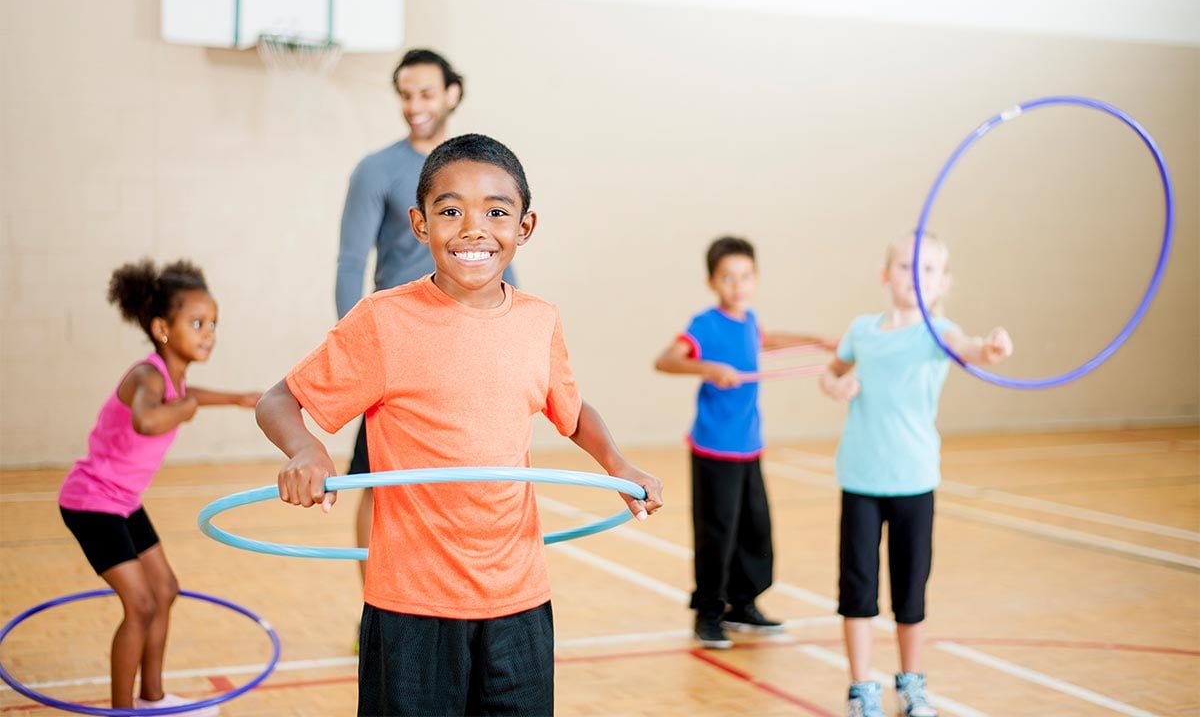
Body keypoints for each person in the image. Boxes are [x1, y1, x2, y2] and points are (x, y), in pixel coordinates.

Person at [257, 133, 664, 716]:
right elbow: (278, 400)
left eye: (496, 212)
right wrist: (305, 451)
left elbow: (572, 414)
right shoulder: (383, 321)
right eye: (451, 211)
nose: (474, 229)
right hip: (413, 607)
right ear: (420, 225)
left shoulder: (538, 321)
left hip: (519, 600)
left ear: (524, 227)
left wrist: (618, 464)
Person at [335, 49, 517, 588]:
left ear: (452, 95)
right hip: (399, 350)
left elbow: (502, 256)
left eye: (426, 93)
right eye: (405, 94)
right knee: (376, 481)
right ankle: (378, 602)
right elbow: (351, 262)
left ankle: (459, 589)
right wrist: (356, 345)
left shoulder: (481, 169)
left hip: (470, 349)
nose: (414, 105)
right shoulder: (376, 170)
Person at [819, 232, 1013, 717]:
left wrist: (991, 348)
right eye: (906, 267)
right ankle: (862, 688)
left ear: (944, 282)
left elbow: (968, 348)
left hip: (914, 480)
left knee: (910, 589)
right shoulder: (862, 329)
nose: (916, 278)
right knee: (857, 589)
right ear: (886, 277)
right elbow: (831, 371)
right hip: (861, 479)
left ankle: (911, 684)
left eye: (928, 270)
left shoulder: (938, 332)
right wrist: (836, 385)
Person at [58, 259, 260, 715]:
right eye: (196, 323)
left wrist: (236, 398)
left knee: (165, 588)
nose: (209, 332)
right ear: (162, 328)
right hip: (90, 502)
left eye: (213, 324)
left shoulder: (174, 376)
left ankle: (152, 699)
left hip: (122, 502)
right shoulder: (147, 375)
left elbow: (188, 396)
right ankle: (121, 710)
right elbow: (148, 418)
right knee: (142, 604)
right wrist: (186, 410)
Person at [654, 236, 838, 649]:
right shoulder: (705, 324)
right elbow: (666, 359)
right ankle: (709, 613)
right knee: (717, 533)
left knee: (755, 531)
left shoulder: (750, 321)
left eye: (745, 276)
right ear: (712, 282)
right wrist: (708, 367)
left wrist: (818, 341)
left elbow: (766, 339)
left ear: (755, 279)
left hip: (749, 446)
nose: (737, 285)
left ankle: (743, 604)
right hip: (714, 448)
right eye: (728, 278)